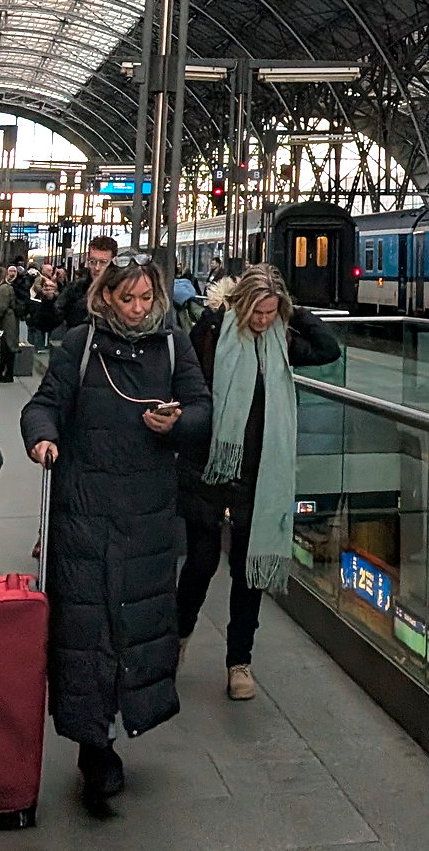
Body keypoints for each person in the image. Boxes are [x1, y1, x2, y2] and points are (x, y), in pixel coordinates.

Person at [21, 256, 210, 809]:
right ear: (105, 298)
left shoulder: (173, 347)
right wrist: (42, 437)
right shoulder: (80, 345)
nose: (136, 309)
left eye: (145, 299)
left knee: (136, 620)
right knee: (86, 628)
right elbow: (46, 403)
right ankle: (93, 744)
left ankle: (126, 718)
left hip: (149, 513)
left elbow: (202, 407)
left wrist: (178, 422)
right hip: (83, 509)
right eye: (125, 299)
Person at [178, 265, 340, 701]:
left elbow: (329, 349)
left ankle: (239, 662)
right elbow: (190, 389)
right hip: (207, 469)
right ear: (242, 303)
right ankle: (176, 641)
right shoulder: (212, 331)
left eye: (272, 311)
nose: (264, 319)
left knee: (248, 575)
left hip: (258, 477)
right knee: (200, 565)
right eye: (258, 311)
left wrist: (296, 312)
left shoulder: (282, 340)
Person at [29, 236, 120, 338]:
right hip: (79, 349)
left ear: (114, 262)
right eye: (93, 261)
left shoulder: (124, 291)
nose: (97, 268)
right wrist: (49, 300)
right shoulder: (75, 289)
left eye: (103, 262)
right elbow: (46, 324)